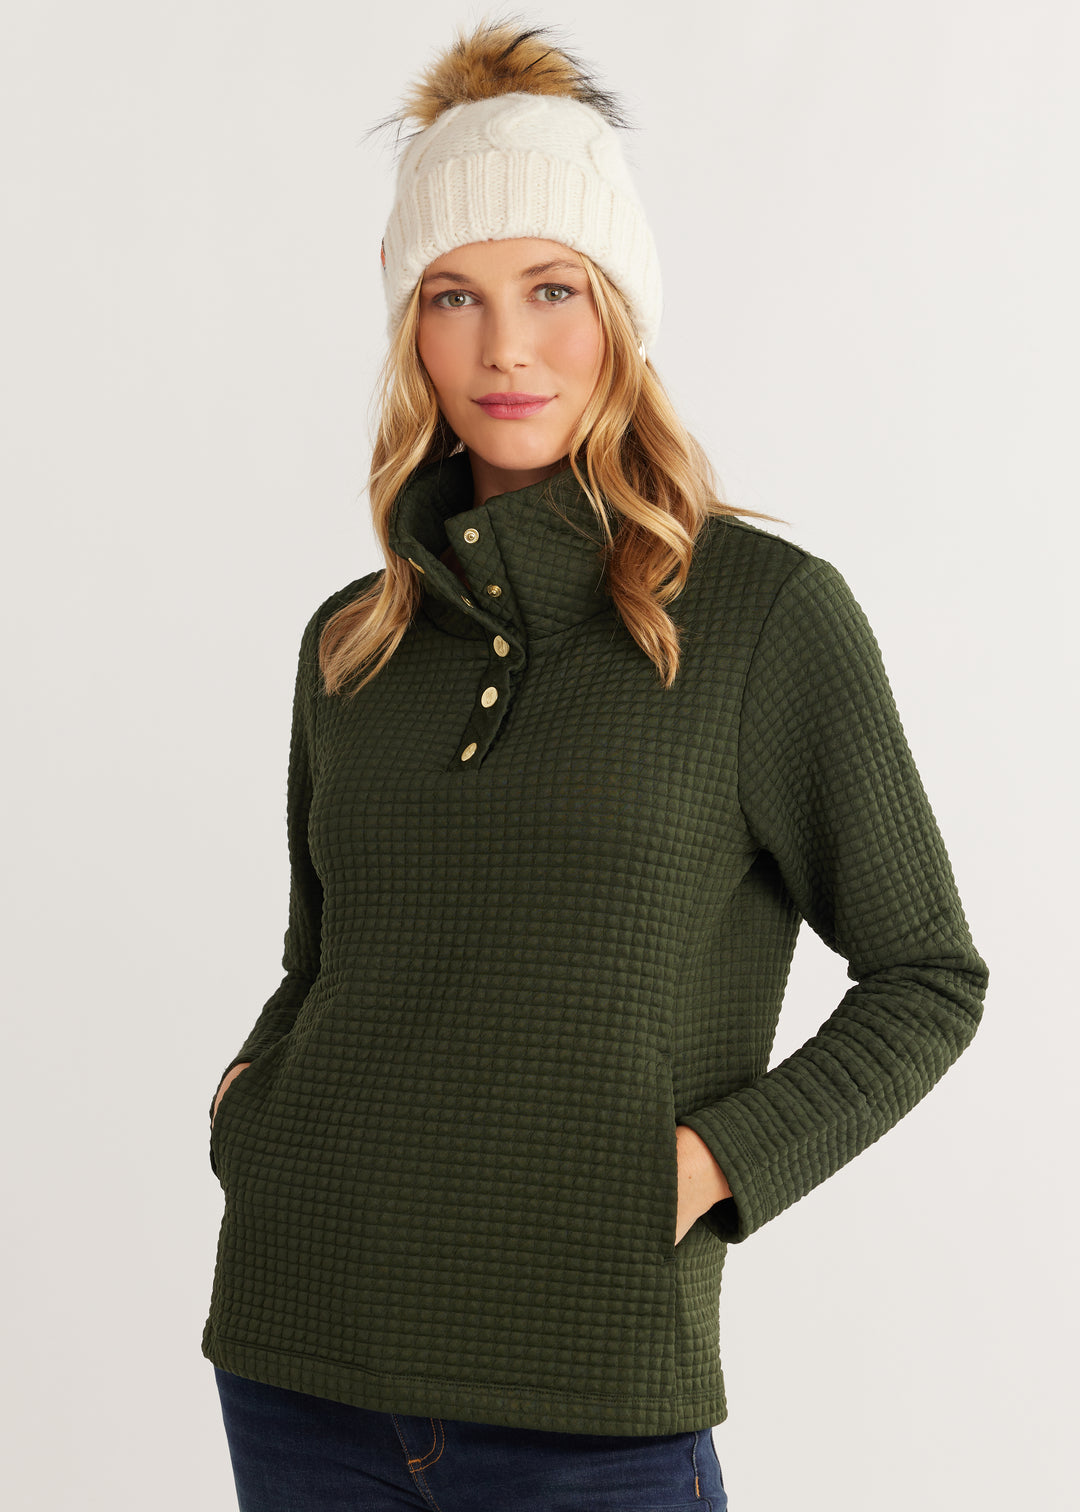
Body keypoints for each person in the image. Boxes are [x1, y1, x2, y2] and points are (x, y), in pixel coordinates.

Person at [201, 20, 989, 1511]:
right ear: (412, 328)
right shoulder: (353, 643)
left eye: (551, 289)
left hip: (590, 1391)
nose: (506, 347)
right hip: (299, 1360)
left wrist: (710, 1164)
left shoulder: (762, 616)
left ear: (618, 309)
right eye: (456, 296)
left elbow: (927, 976)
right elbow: (324, 959)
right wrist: (254, 1114)